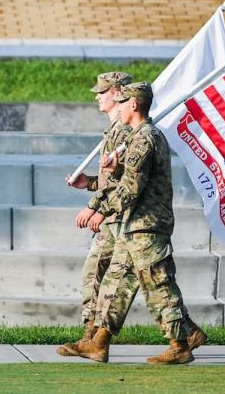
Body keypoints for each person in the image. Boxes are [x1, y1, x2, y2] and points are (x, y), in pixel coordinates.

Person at [76, 82, 204, 365]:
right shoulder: (138, 137)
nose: (117, 107)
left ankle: (180, 344)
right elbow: (129, 181)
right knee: (115, 284)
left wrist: (100, 210)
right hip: (133, 225)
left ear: (133, 105)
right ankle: (97, 342)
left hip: (147, 225)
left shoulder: (145, 138)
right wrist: (104, 178)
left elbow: (130, 190)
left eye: (122, 102)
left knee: (158, 286)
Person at [56, 71, 134, 356]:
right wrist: (88, 183)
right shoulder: (115, 130)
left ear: (116, 93)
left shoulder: (125, 132)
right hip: (112, 216)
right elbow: (109, 181)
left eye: (102, 91)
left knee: (109, 278)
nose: (97, 96)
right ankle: (91, 338)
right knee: (99, 276)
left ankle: (93, 339)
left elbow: (124, 183)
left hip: (119, 218)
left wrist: (96, 209)